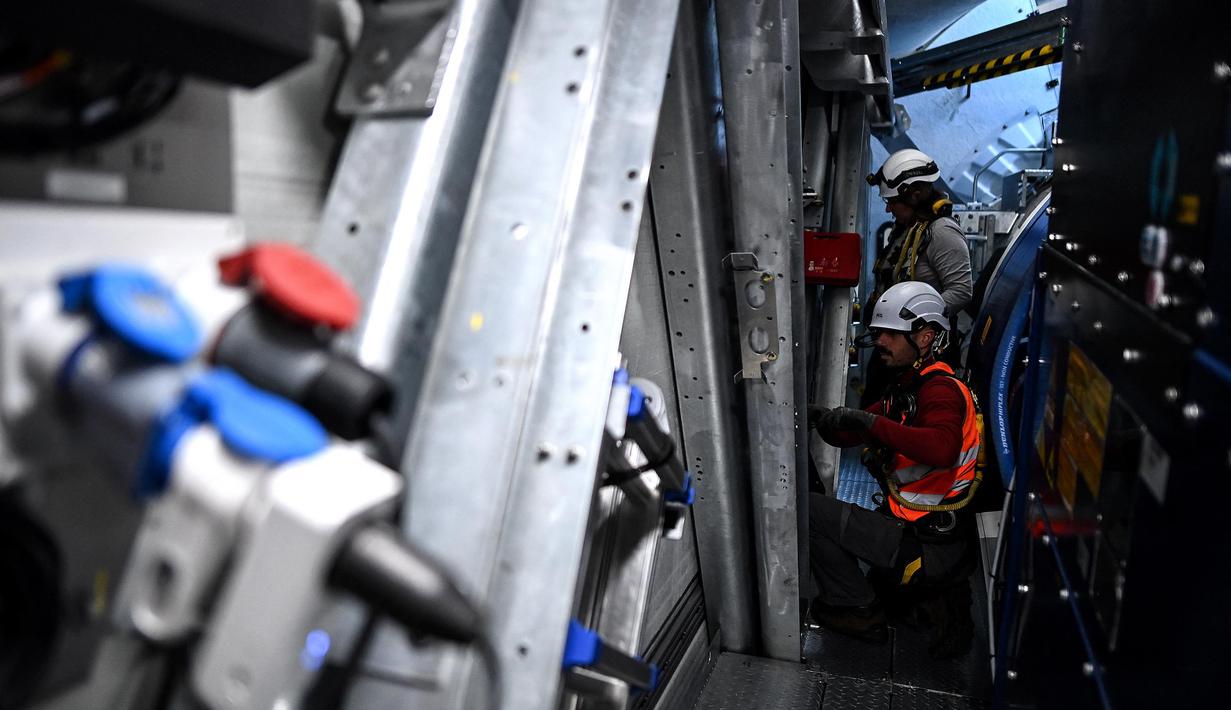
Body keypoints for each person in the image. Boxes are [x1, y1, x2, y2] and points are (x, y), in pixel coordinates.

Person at [808, 281, 982, 655]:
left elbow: (942, 448)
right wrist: (825, 420)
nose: (881, 342)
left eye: (891, 334)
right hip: (913, 533)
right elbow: (849, 434)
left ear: (926, 336)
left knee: (806, 511)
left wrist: (869, 424)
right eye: (878, 333)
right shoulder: (909, 389)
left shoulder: (940, 391)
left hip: (926, 544)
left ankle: (857, 610)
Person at [861, 149, 973, 406]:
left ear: (915, 194)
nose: (888, 208)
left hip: (917, 353)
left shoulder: (942, 233)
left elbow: (961, 291)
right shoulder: (908, 229)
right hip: (894, 349)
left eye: (892, 201)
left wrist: (911, 325)